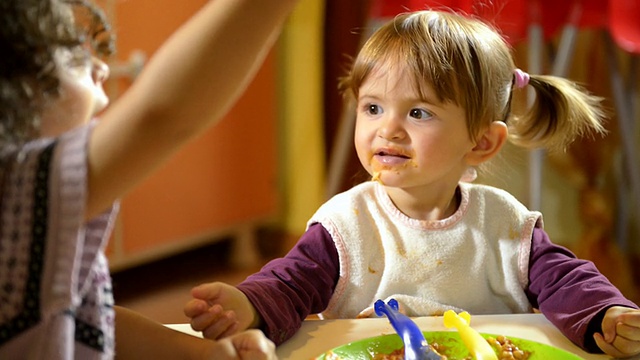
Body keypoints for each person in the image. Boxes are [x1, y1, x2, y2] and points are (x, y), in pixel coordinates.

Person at [183, 9, 640, 359]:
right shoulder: (347, 224)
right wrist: (248, 305)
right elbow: (290, 283)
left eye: (418, 113)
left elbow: (567, 280)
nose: (388, 130)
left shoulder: (505, 223)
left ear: (481, 142)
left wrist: (607, 315)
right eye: (373, 108)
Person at [0, 0, 300, 358]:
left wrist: (207, 354)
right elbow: (163, 115)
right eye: (72, 55)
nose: (100, 67)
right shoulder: (12, 195)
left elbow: (89, 319)